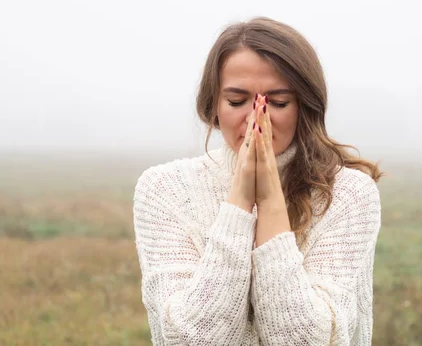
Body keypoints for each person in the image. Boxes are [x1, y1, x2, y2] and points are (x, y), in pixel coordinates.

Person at [133, 17, 383, 345]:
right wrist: (239, 201)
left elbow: (305, 340)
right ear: (214, 107)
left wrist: (269, 202)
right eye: (237, 102)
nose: (256, 118)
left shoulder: (348, 194)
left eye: (277, 103)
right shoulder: (163, 189)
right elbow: (195, 339)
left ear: (304, 106)